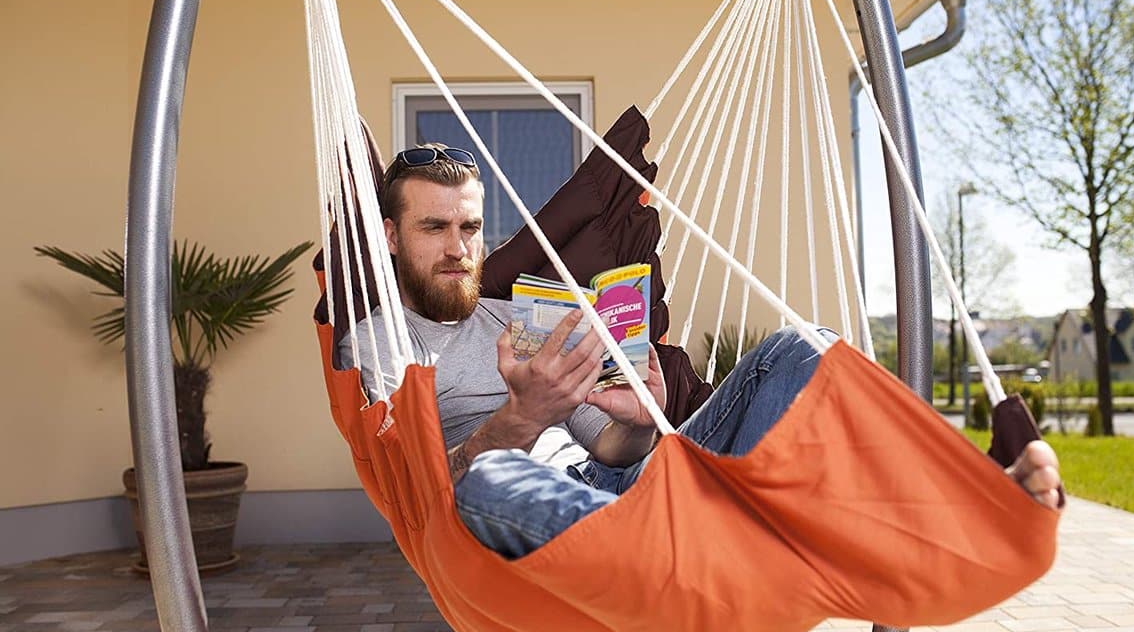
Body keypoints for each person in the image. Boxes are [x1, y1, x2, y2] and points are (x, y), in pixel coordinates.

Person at [341, 145, 1062, 559]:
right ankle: (741, 532)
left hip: (623, 496)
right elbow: (422, 494)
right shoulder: (372, 345)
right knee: (487, 483)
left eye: (470, 227)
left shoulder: (519, 315)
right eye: (436, 227)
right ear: (391, 236)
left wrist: (642, 414)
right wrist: (521, 421)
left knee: (799, 348)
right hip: (509, 509)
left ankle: (960, 483)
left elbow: (614, 453)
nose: (461, 248)